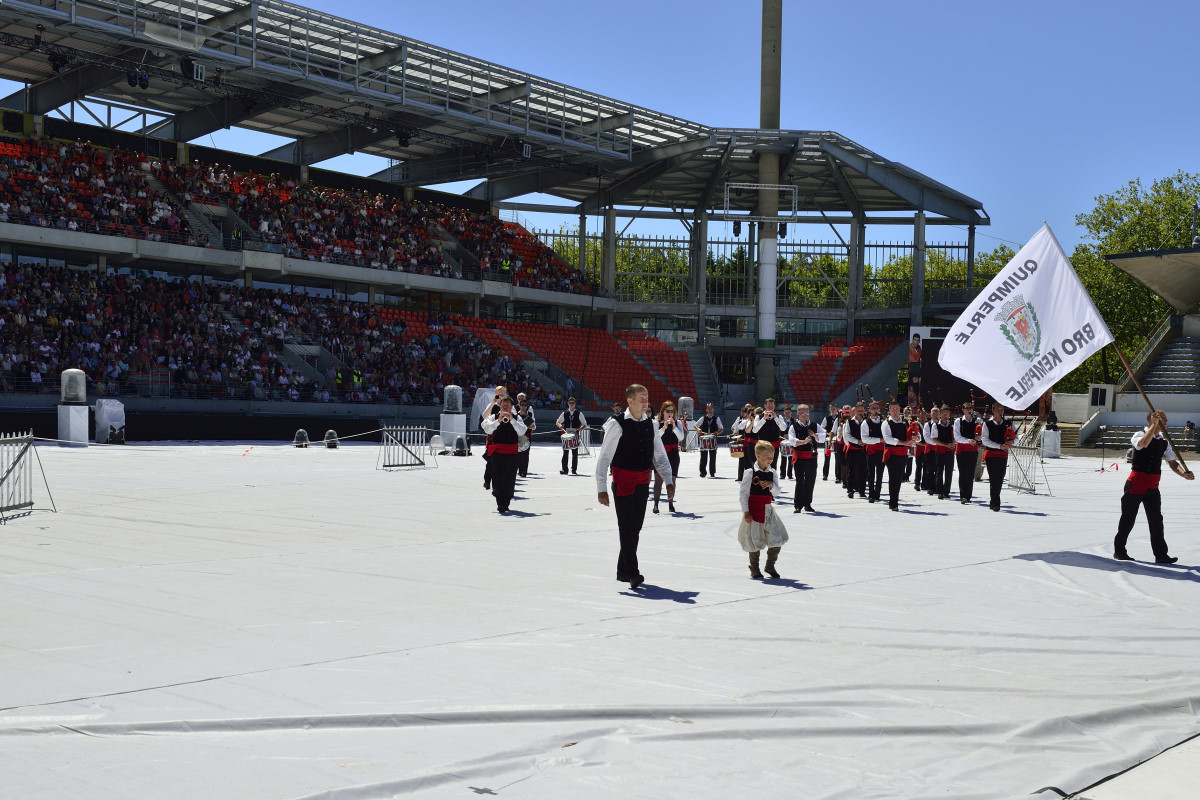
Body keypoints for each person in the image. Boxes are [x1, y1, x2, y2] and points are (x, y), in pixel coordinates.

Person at [596, 384, 675, 590]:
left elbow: (659, 455)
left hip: (643, 482)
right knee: (626, 527)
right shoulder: (617, 424)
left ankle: (622, 571)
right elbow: (604, 457)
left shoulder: (651, 424)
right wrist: (601, 487)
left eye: (646, 397)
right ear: (629, 401)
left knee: (635, 528)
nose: (645, 401)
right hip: (622, 481)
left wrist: (668, 480)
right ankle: (633, 573)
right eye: (641, 397)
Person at [1114, 410, 1194, 563]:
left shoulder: (1164, 441)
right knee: (1128, 520)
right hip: (1135, 484)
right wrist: (1153, 425)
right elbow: (1143, 444)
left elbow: (1172, 462)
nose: (1166, 421)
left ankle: (1161, 555)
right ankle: (1119, 550)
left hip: (1152, 486)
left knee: (1156, 521)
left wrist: (1183, 474)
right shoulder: (1138, 435)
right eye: (1163, 418)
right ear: (1153, 420)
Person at [739, 440, 789, 579]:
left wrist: (772, 485)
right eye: (767, 457)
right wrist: (746, 512)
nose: (770, 460)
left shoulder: (772, 473)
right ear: (758, 456)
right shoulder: (750, 472)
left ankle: (770, 565)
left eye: (772, 458)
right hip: (754, 510)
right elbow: (743, 493)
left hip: (768, 509)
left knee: (777, 537)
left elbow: (777, 492)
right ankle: (754, 567)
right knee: (755, 539)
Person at [480, 396, 527, 514]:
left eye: (507, 405)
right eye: (503, 405)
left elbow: (522, 431)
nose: (505, 406)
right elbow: (486, 429)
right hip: (497, 453)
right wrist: (498, 421)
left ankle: (506, 502)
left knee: (510, 478)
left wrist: (512, 420)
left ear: (511, 406)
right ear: (500, 406)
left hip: (512, 453)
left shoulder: (517, 418)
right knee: (498, 477)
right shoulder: (493, 417)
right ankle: (500, 502)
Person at [788, 403, 824, 513]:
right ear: (798, 415)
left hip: (812, 457)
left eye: (806, 413)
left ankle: (807, 504)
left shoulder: (814, 425)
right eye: (802, 413)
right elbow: (792, 440)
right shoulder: (793, 426)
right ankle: (798, 505)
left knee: (810, 481)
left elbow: (823, 438)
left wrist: (815, 436)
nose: (805, 415)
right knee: (800, 481)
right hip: (799, 457)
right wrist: (804, 441)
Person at [882, 401, 916, 511]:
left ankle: (895, 500)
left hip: (902, 454)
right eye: (893, 409)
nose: (895, 411)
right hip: (891, 453)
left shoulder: (906, 422)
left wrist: (916, 438)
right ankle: (893, 503)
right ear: (889, 410)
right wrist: (903, 443)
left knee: (899, 478)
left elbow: (915, 435)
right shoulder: (886, 423)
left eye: (897, 409)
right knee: (893, 477)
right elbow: (888, 439)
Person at [980, 402, 1014, 512]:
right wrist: (999, 446)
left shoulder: (1008, 423)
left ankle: (993, 501)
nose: (1000, 411)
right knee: (994, 478)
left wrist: (1011, 442)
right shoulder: (987, 424)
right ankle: (995, 503)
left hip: (1003, 455)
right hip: (991, 454)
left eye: (1002, 409)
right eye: (998, 409)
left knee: (1000, 478)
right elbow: (984, 440)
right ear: (993, 410)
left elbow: (1016, 436)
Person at [653, 400, 685, 514]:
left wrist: (675, 427)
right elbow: (655, 437)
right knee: (658, 480)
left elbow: (681, 437)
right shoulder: (657, 422)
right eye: (667, 411)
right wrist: (664, 427)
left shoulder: (678, 423)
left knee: (672, 480)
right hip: (660, 454)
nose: (670, 413)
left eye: (672, 411)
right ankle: (656, 504)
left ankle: (670, 504)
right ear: (663, 411)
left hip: (673, 454)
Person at [952, 401, 981, 505]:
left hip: (973, 450)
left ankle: (968, 496)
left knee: (971, 473)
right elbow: (957, 437)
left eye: (970, 408)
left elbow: (982, 434)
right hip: (961, 450)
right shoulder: (958, 421)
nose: (969, 410)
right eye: (967, 408)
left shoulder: (977, 421)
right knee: (963, 473)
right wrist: (969, 440)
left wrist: (979, 439)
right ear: (963, 410)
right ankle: (963, 495)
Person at [480, 385, 507, 491]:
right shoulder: (492, 404)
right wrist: (493, 403)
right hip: (493, 434)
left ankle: (499, 481)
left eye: (502, 393)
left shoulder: (509, 404)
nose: (500, 395)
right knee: (491, 459)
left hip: (505, 434)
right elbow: (484, 416)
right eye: (498, 393)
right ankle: (487, 480)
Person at [752, 398, 787, 470]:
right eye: (769, 406)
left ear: (774, 407)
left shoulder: (779, 416)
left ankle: (771, 480)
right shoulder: (759, 417)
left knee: (773, 466)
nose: (770, 407)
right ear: (765, 406)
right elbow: (755, 430)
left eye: (772, 406)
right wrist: (764, 419)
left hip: (774, 446)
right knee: (761, 465)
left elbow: (783, 428)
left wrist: (775, 418)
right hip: (762, 446)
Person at [557, 396, 588, 475]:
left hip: (575, 434)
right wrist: (560, 425)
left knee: (574, 453)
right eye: (570, 403)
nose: (571, 404)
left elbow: (585, 424)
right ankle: (565, 470)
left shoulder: (579, 413)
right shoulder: (564, 413)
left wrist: (581, 428)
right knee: (565, 453)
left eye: (573, 403)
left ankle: (574, 470)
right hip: (566, 434)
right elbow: (558, 422)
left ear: (575, 404)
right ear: (568, 403)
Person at [843, 403, 868, 499]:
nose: (860, 412)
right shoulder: (849, 422)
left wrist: (865, 442)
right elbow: (847, 435)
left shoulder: (866, 421)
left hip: (863, 450)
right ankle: (850, 490)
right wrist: (858, 441)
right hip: (852, 450)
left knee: (863, 471)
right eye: (859, 410)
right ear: (855, 410)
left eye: (862, 410)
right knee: (851, 471)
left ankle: (862, 491)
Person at [932, 405, 957, 500]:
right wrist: (946, 445)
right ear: (940, 414)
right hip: (940, 451)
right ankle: (940, 491)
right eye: (943, 413)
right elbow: (934, 439)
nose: (945, 414)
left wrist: (953, 442)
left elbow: (954, 437)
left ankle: (946, 491)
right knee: (939, 472)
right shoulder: (936, 426)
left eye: (947, 413)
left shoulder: (952, 426)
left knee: (949, 472)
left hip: (950, 451)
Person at [862, 401, 885, 503]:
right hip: (870, 451)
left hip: (881, 451)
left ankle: (878, 494)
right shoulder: (865, 423)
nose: (875, 410)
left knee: (880, 474)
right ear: (869, 410)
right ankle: (871, 494)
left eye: (876, 408)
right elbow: (865, 439)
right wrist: (879, 440)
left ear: (879, 410)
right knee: (871, 474)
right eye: (873, 408)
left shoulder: (884, 422)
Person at [694, 401, 724, 478]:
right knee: (703, 456)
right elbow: (696, 425)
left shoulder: (717, 418)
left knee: (712, 456)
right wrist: (699, 430)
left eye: (711, 408)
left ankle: (712, 472)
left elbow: (721, 428)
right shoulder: (703, 418)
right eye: (708, 408)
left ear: (713, 409)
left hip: (712, 438)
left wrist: (718, 432)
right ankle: (703, 472)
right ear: (706, 410)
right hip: (704, 438)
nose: (709, 410)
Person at [732, 404, 754, 482]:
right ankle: (740, 476)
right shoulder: (740, 419)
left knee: (749, 460)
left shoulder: (754, 419)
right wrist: (737, 435)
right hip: (742, 441)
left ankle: (749, 477)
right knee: (741, 459)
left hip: (750, 441)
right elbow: (734, 427)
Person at [517, 399, 535, 478]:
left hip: (527, 436)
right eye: (522, 405)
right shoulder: (516, 415)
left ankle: (524, 471)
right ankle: (519, 470)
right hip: (518, 436)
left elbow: (533, 426)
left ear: (527, 407)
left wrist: (525, 426)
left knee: (526, 454)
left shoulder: (530, 414)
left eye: (525, 405)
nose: (524, 406)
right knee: (518, 454)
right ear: (519, 406)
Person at [820, 403, 839, 481]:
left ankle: (837, 476)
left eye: (834, 409)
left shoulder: (840, 417)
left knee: (837, 458)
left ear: (836, 409)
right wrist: (826, 432)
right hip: (828, 439)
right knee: (827, 457)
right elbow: (821, 428)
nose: (833, 410)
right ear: (829, 409)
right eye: (831, 409)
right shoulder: (826, 418)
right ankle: (825, 475)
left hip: (837, 439)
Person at [779, 405, 796, 480]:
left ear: (791, 413)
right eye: (786, 412)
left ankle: (789, 474)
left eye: (788, 412)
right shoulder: (781, 421)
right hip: (783, 441)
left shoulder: (794, 421)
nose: (787, 414)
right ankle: (782, 474)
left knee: (791, 458)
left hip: (791, 441)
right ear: (784, 413)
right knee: (783, 458)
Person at [907, 333, 923, 406]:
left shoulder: (919, 348)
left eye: (917, 340)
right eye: (915, 340)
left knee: (917, 389)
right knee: (912, 389)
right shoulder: (909, 348)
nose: (916, 341)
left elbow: (920, 359)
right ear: (912, 340)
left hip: (918, 372)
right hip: (912, 372)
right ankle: (911, 405)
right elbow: (914, 360)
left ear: (919, 341)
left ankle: (917, 404)